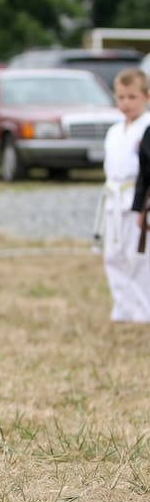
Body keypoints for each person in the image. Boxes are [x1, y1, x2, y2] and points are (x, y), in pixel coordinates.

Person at [99, 68, 150, 321]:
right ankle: (123, 308)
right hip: (114, 200)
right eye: (121, 97)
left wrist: (144, 205)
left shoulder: (146, 129)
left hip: (137, 201)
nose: (126, 103)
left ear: (146, 97)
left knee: (138, 258)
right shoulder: (114, 131)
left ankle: (143, 310)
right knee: (113, 255)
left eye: (132, 97)